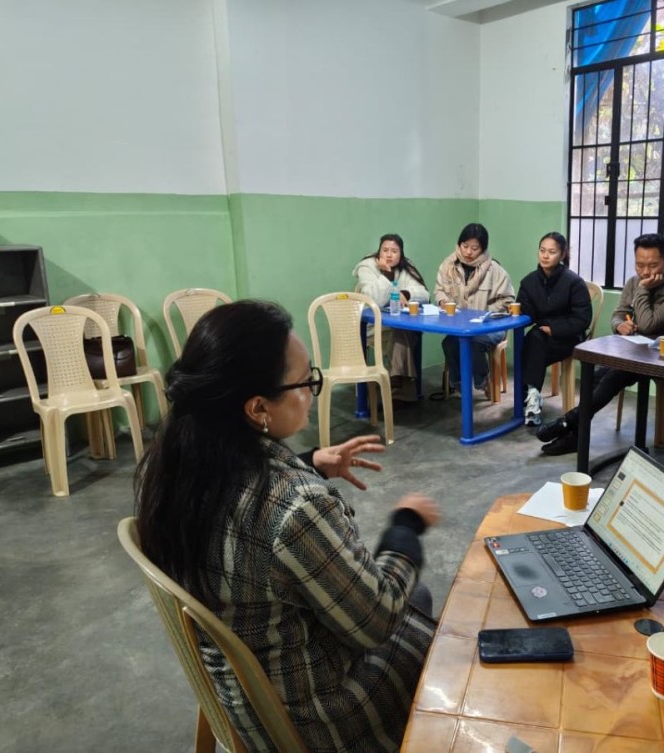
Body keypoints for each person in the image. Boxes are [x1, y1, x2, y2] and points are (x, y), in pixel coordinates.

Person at [134, 300, 441, 752]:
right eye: (306, 382)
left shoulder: (176, 468)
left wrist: (310, 461)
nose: (313, 391)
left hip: (243, 692)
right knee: (430, 618)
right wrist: (405, 526)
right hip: (315, 717)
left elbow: (244, 497)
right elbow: (374, 622)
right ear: (259, 407)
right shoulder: (296, 506)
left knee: (415, 598)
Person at [536, 233, 664, 455]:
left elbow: (647, 324)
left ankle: (570, 422)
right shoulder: (633, 282)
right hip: (634, 352)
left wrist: (643, 290)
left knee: (614, 377)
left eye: (653, 265)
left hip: (662, 358)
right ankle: (576, 434)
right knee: (596, 376)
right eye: (639, 265)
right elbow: (618, 314)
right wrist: (619, 326)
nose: (645, 272)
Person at [516, 231, 592, 425]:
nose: (545, 256)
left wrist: (553, 328)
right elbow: (527, 313)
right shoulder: (529, 281)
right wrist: (518, 309)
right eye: (542, 250)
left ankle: (530, 397)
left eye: (551, 252)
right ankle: (532, 393)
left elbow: (582, 319)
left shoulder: (573, 282)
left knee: (531, 344)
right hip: (541, 337)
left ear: (562, 255)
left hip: (568, 337)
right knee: (530, 342)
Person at [433, 222, 515, 395]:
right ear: (459, 244)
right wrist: (442, 302)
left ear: (483, 249)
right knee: (449, 343)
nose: (468, 252)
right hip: (460, 325)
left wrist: (484, 313)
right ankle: (459, 384)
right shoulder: (448, 266)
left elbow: (508, 300)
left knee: (474, 341)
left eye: (474, 248)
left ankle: (483, 381)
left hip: (491, 326)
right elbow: (439, 290)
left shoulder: (495, 270)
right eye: (465, 246)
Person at [353, 233, 430, 400]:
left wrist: (407, 293)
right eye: (385, 250)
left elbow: (424, 294)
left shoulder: (406, 267)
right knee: (402, 334)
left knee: (405, 331)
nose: (389, 255)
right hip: (372, 326)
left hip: (400, 323)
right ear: (379, 252)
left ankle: (397, 381)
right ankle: (400, 386)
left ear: (401, 253)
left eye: (394, 251)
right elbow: (376, 300)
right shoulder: (367, 267)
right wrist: (386, 276)